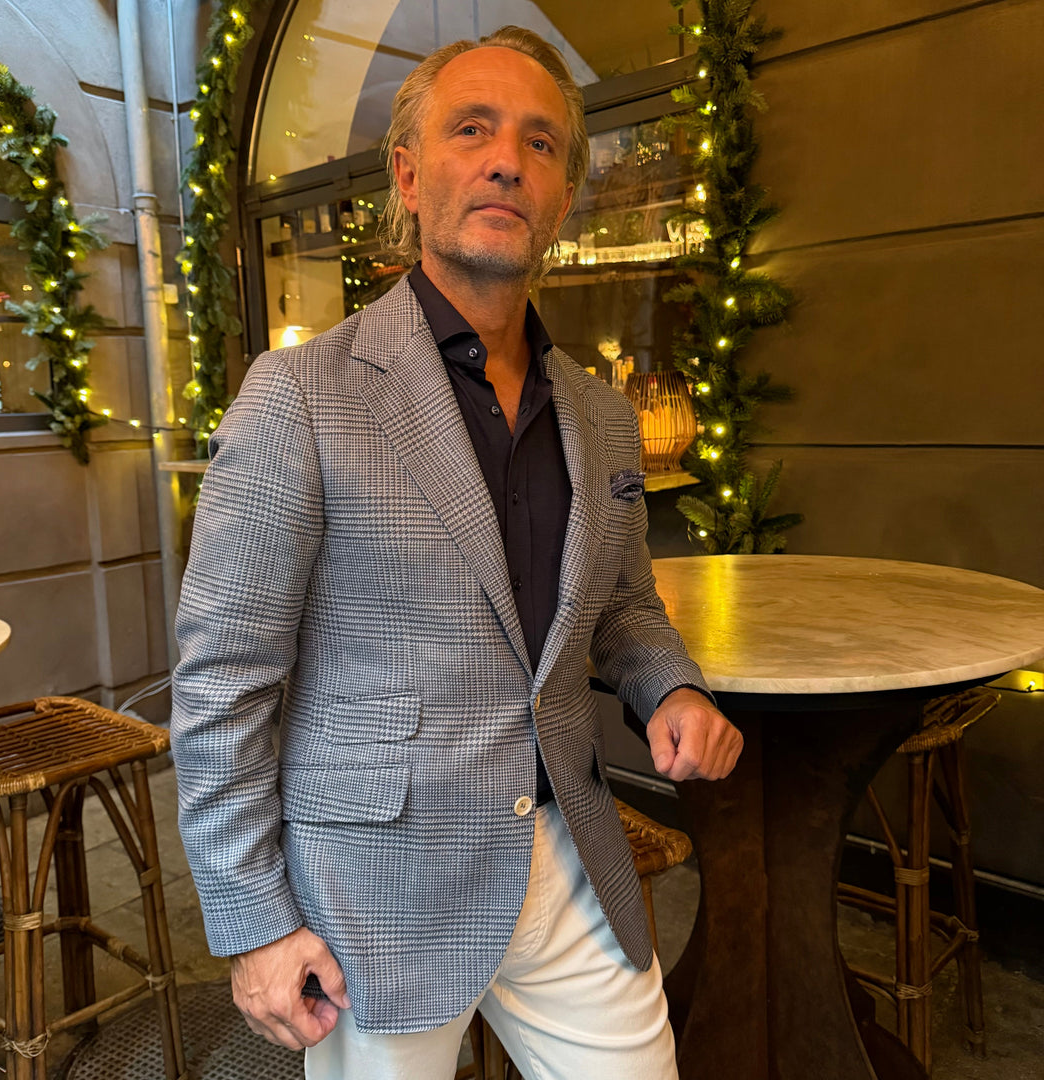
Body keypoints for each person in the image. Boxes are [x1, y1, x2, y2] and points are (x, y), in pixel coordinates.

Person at [171, 24, 742, 1080]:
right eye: (471, 129)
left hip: (568, 857)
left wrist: (671, 688)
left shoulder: (602, 417)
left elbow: (622, 605)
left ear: (561, 197)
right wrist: (254, 920)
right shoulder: (301, 395)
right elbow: (223, 680)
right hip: (375, 893)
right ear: (408, 174)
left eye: (539, 143)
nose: (505, 161)